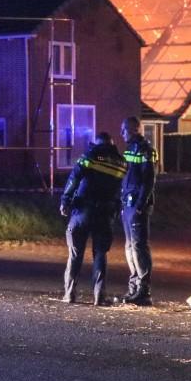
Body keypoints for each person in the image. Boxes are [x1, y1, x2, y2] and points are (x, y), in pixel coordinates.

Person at [59, 131, 126, 305]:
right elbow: (122, 189)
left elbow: (74, 178)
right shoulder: (121, 162)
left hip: (83, 210)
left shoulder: (90, 155)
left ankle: (70, 294)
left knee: (75, 254)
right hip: (105, 213)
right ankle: (99, 296)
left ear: (96, 143)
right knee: (100, 254)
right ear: (111, 144)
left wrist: (65, 200)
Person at [114, 116, 157, 306]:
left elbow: (148, 180)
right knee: (130, 247)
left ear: (133, 129)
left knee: (139, 246)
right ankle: (134, 286)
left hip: (137, 205)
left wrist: (141, 204)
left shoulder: (146, 150)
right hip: (128, 204)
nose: (121, 133)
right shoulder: (130, 149)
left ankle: (143, 290)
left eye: (124, 129)